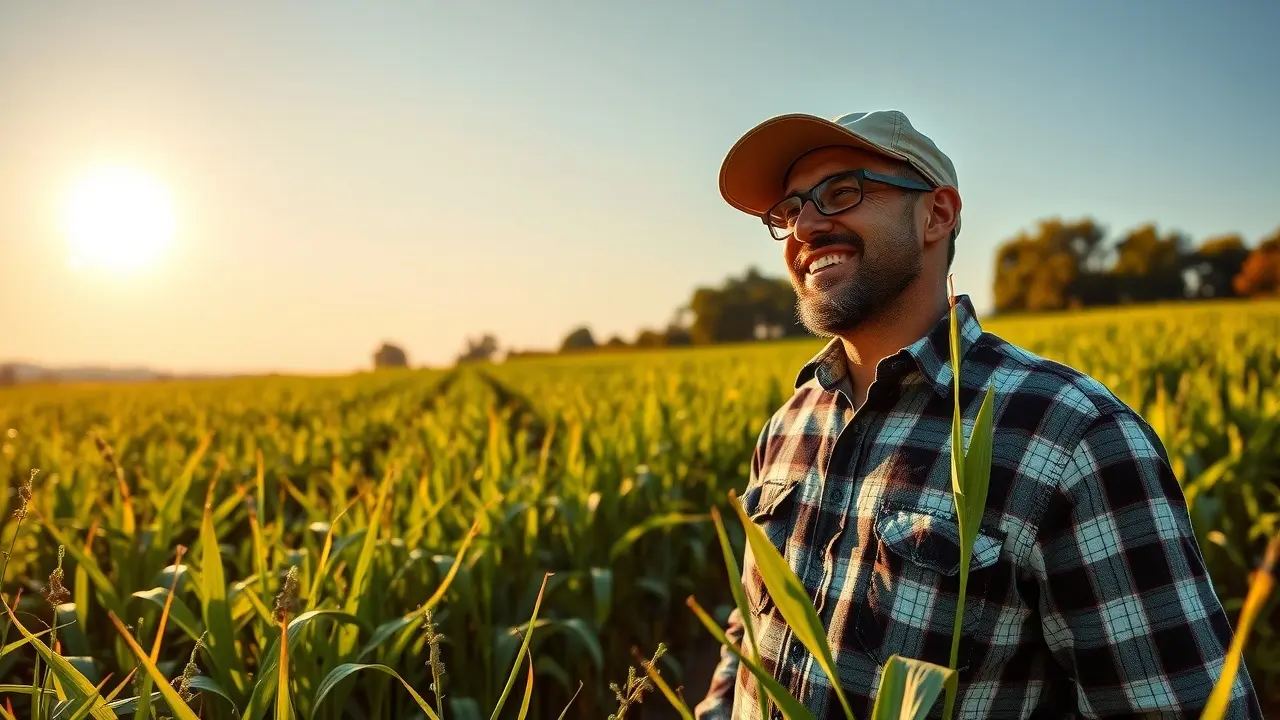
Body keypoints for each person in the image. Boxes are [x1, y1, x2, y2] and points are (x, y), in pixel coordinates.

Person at [694, 110, 1262, 719]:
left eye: (842, 192)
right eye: (788, 211)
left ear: (937, 214)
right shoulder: (788, 425)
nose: (805, 226)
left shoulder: (1074, 437)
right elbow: (751, 627)